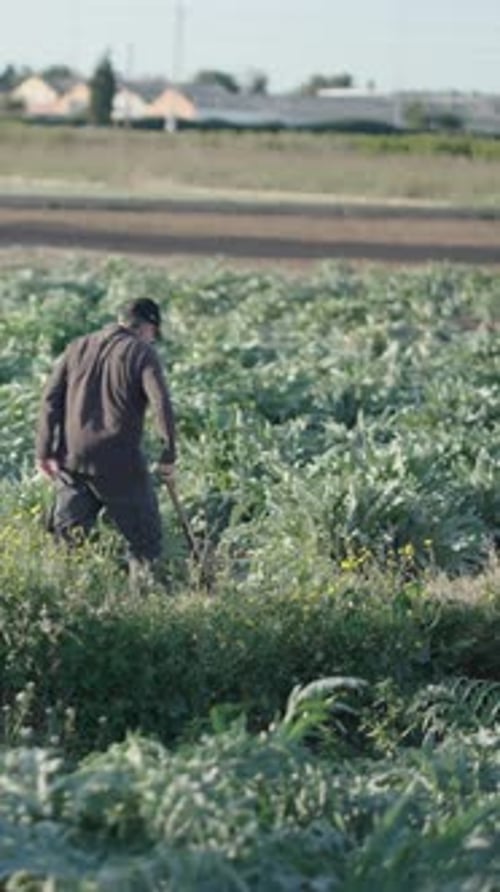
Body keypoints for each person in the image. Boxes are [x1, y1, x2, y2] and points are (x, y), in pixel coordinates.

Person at [35, 297, 176, 590]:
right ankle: (144, 612)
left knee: (66, 544)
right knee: (145, 543)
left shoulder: (78, 346)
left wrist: (44, 451)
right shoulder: (142, 353)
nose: (153, 339)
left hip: (72, 461)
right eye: (154, 333)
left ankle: (61, 606)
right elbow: (161, 403)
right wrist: (168, 453)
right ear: (147, 327)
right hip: (119, 464)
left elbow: (50, 399)